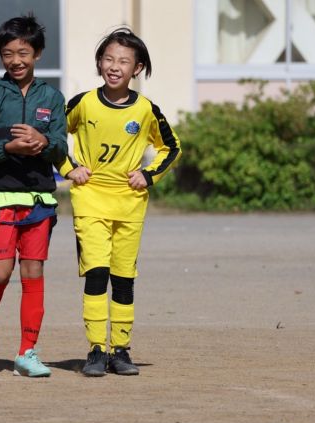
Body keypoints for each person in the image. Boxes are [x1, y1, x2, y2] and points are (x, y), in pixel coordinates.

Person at [57, 28, 182, 377]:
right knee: (96, 274)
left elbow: (171, 147)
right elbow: (53, 136)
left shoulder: (145, 110)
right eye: (109, 59)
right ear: (99, 63)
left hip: (130, 205)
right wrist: (69, 168)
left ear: (137, 68)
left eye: (123, 61)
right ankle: (96, 349)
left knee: (123, 278)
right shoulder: (83, 103)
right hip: (90, 201)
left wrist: (149, 174)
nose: (115, 66)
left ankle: (120, 350)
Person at [0, 15, 67, 377]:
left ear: (37, 53)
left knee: (33, 271)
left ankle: (28, 351)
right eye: (7, 54)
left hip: (39, 200)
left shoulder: (53, 98)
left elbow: (60, 148)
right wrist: (7, 147)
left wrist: (44, 143)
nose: (15, 60)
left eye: (23, 52)